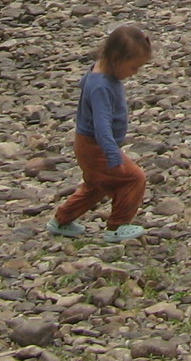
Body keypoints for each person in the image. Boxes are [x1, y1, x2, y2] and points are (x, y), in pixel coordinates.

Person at [51, 23, 154, 242]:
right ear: (116, 58)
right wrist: (111, 151)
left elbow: (84, 82)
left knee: (97, 185)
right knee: (134, 178)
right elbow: (101, 123)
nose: (135, 73)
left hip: (86, 144)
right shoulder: (102, 86)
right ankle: (117, 227)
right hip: (96, 146)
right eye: (134, 67)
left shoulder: (100, 68)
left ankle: (61, 220)